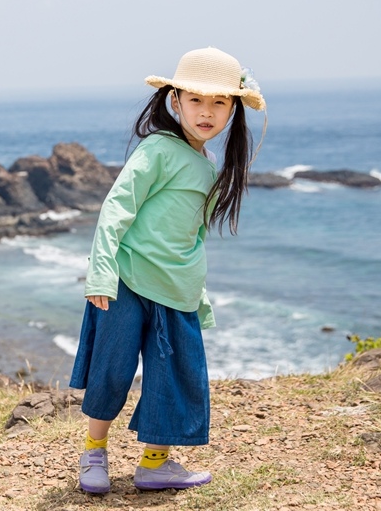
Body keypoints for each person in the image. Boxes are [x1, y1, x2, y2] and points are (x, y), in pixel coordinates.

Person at [70, 46, 266, 494]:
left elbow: (192, 237)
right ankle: (93, 453)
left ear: (233, 110)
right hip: (127, 279)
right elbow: (116, 207)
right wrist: (100, 273)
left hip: (175, 289)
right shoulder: (157, 148)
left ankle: (154, 464)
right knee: (112, 370)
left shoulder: (211, 164)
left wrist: (198, 294)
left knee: (174, 379)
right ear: (174, 101)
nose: (207, 112)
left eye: (219, 102)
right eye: (195, 100)